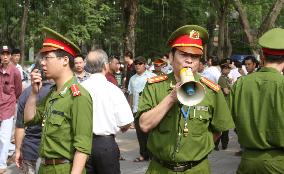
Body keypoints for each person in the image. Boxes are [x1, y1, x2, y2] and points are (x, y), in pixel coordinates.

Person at [137, 25, 234, 173]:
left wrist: (196, 150)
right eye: (183, 55)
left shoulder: (211, 90)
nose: (189, 60)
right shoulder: (155, 86)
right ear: (171, 57)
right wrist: (171, 98)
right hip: (160, 169)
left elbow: (218, 131)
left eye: (195, 57)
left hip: (197, 169)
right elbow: (144, 125)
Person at [24, 27, 93, 174]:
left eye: (47, 58)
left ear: (65, 60)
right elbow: (29, 119)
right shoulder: (52, 93)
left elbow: (82, 147)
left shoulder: (78, 96)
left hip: (64, 169)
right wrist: (34, 93)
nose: (42, 63)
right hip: (44, 167)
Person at [229, 28, 284, 174]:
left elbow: (229, 120)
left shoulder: (241, 84)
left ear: (262, 56)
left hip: (248, 162)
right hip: (279, 163)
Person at [82, 49, 133, 174]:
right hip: (106, 145)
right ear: (105, 66)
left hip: (82, 145)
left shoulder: (78, 89)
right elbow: (126, 122)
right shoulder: (113, 90)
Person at [15, 68, 53, 173]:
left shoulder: (25, 94)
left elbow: (20, 126)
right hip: (51, 151)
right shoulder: (56, 92)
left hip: (30, 149)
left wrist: (18, 150)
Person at [128, 56, 156, 162]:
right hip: (136, 109)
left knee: (151, 134)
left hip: (149, 109)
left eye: (139, 63)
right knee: (140, 134)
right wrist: (130, 111)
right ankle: (143, 154)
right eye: (135, 63)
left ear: (144, 64)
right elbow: (131, 94)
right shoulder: (132, 78)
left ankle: (153, 155)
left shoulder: (152, 76)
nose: (137, 65)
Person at [0, 45, 22, 174]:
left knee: (4, 137)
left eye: (7, 54)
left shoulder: (15, 71)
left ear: (10, 56)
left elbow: (18, 90)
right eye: (3, 54)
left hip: (8, 107)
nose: (5, 56)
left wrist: (13, 101)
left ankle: (2, 163)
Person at [214, 60, 232, 151]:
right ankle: (216, 144)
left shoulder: (226, 78)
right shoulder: (222, 79)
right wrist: (233, 87)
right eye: (227, 68)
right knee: (222, 126)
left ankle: (224, 144)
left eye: (229, 68)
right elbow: (226, 91)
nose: (228, 70)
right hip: (223, 104)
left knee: (225, 126)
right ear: (223, 69)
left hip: (227, 104)